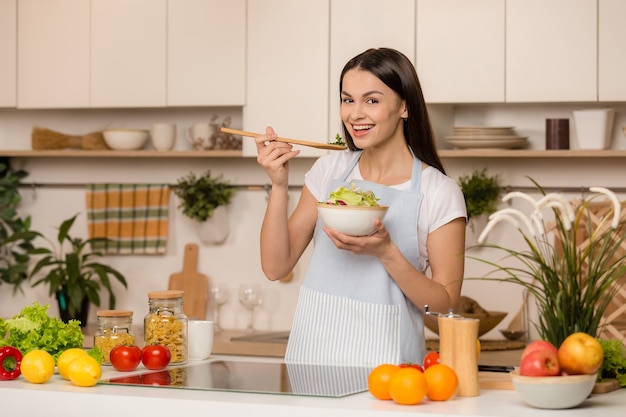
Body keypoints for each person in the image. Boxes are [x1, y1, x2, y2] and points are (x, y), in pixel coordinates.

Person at [254, 48, 467, 366]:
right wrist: (279, 184)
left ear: (404, 106)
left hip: (391, 375)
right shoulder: (328, 171)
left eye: (372, 100)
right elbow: (275, 267)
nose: (355, 114)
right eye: (347, 99)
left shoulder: (440, 193)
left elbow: (445, 310)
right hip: (313, 361)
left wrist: (386, 253)